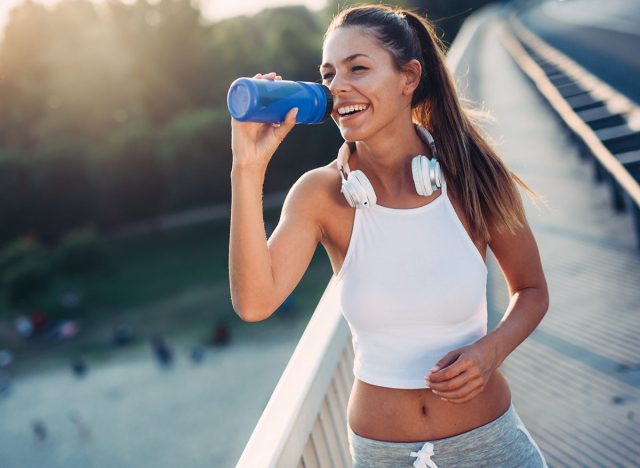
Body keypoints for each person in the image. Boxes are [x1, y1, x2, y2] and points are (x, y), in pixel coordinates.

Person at [229, 4, 549, 467]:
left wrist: (490, 351)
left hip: (489, 446)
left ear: (409, 77)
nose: (338, 87)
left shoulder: (473, 175)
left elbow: (532, 290)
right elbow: (254, 303)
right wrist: (247, 168)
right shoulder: (321, 195)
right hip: (384, 455)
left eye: (358, 68)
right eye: (329, 74)